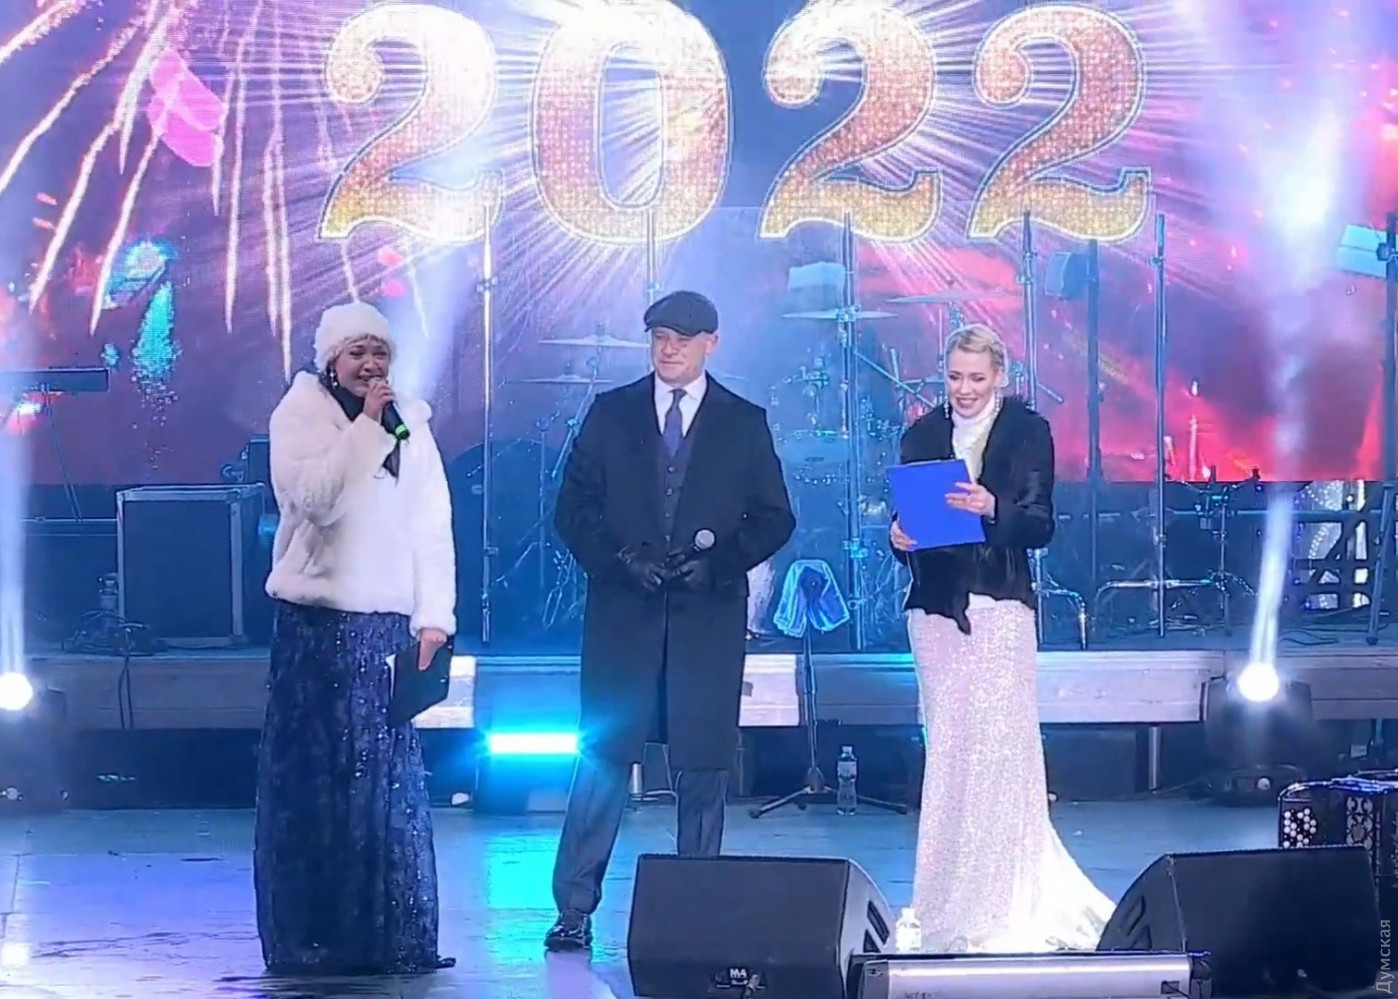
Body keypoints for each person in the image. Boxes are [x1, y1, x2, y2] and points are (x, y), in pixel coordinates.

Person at [545, 290, 795, 951]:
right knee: (602, 759)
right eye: (659, 336)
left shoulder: (742, 422)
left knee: (704, 765)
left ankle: (694, 911)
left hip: (705, 620)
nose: (669, 349)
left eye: (682, 338)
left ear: (712, 342)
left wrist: (719, 566)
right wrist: (617, 560)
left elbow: (775, 517)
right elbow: (571, 509)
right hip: (623, 616)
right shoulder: (612, 413)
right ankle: (574, 909)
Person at [890, 324, 1113, 953]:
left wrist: (992, 507)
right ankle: (945, 899)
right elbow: (911, 520)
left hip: (997, 607)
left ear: (1000, 378)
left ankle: (1000, 897)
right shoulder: (921, 435)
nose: (964, 389)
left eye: (976, 378)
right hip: (935, 610)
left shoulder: (1025, 431)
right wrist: (898, 538)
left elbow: (1039, 525)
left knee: (997, 750)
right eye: (955, 377)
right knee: (949, 754)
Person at [256, 301, 456, 976]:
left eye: (379, 353)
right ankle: (312, 939)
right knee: (316, 784)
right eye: (357, 353)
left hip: (383, 628)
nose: (371, 365)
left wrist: (434, 617)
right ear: (331, 361)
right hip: (315, 627)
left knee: (384, 786)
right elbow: (316, 500)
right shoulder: (300, 415)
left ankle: (392, 938)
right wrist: (367, 429)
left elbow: (431, 524)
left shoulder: (411, 423)